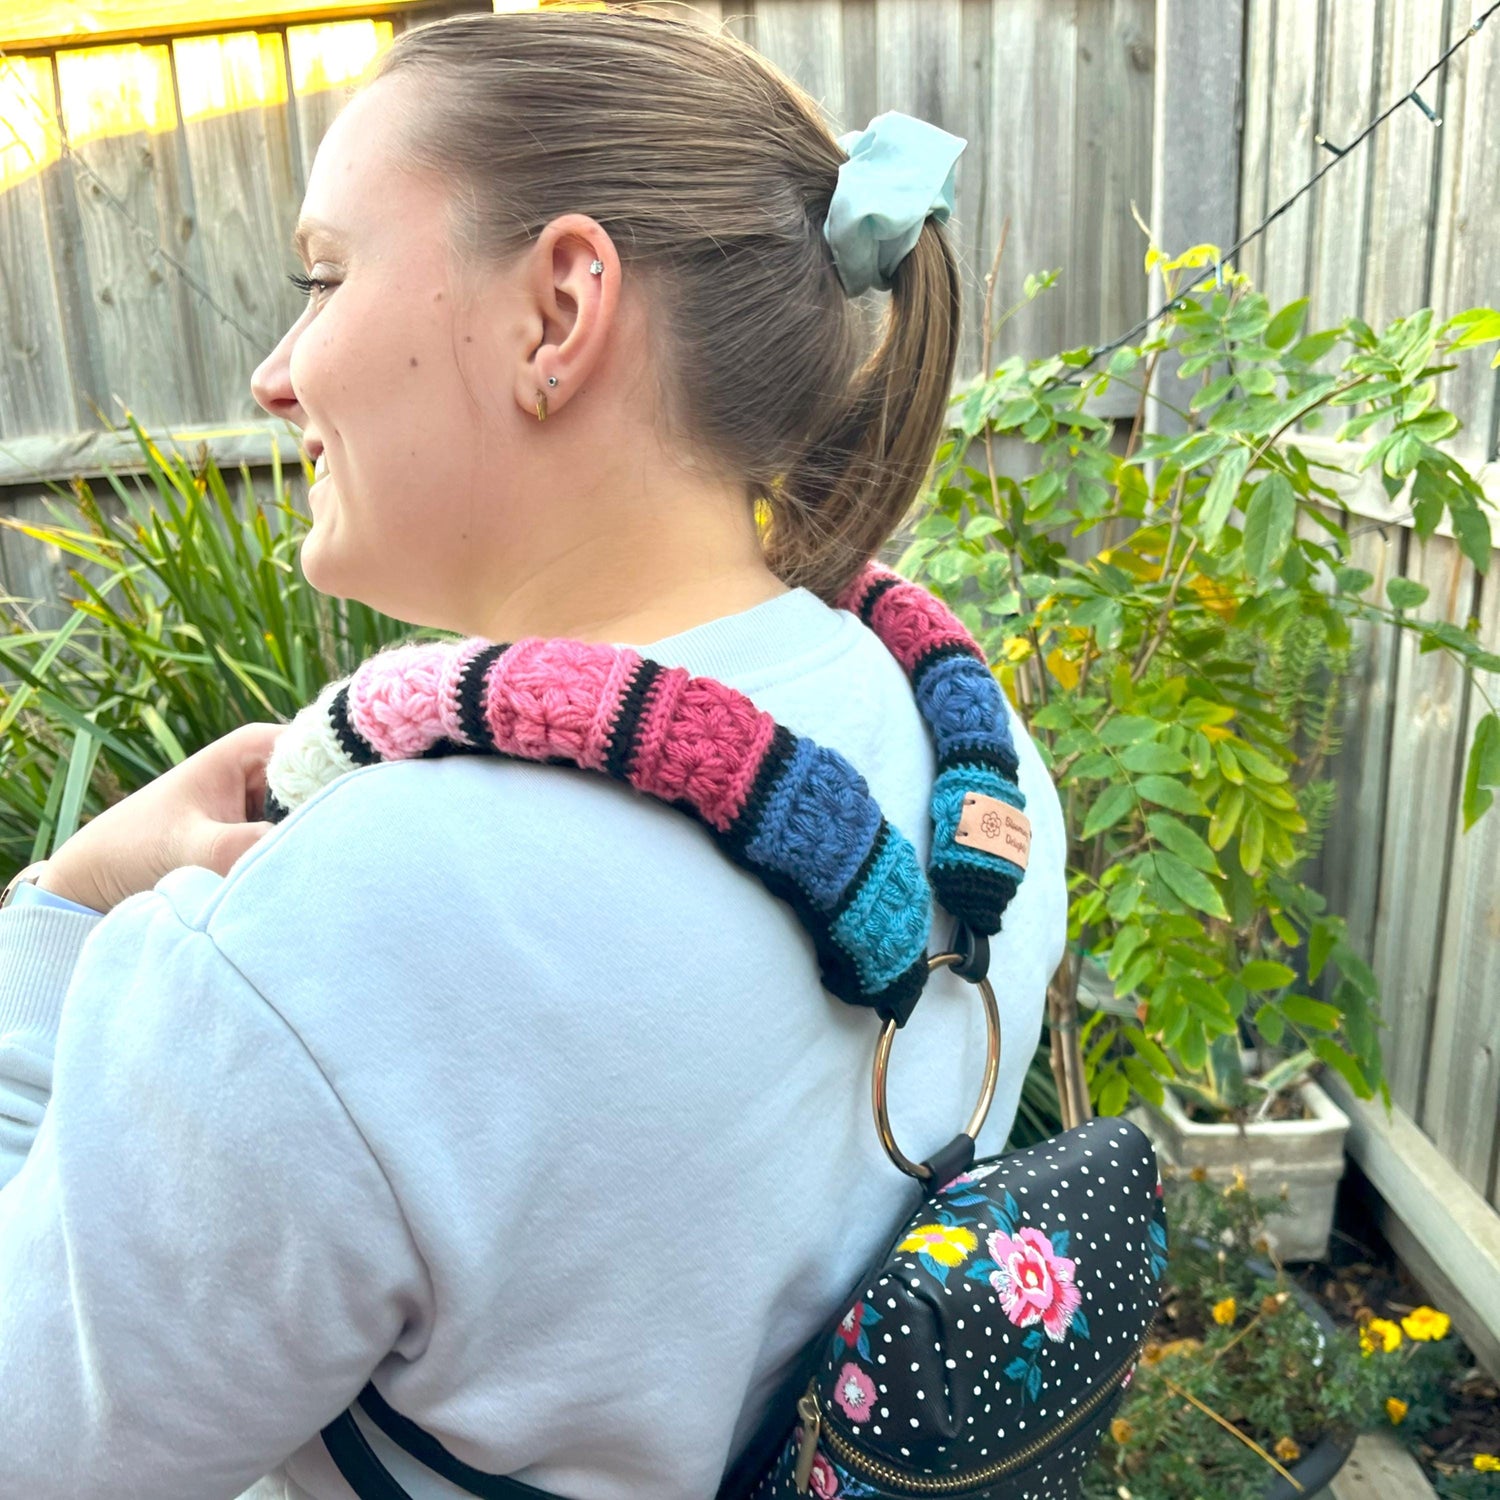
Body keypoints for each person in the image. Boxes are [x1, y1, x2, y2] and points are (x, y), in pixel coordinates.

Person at [0, 9, 1065, 1498]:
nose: (275, 375)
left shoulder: (343, 933)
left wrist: (62, 909)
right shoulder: (971, 759)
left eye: (325, 276)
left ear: (560, 312)